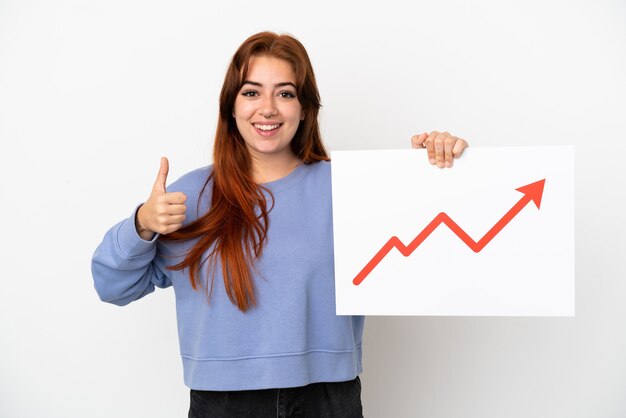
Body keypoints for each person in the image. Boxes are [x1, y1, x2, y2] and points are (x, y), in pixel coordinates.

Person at [91, 31, 468, 418]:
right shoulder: (189, 196)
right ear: (230, 107)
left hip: (327, 397)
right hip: (223, 402)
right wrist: (141, 224)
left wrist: (437, 168)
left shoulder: (349, 187)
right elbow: (113, 287)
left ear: (305, 108)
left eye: (285, 93)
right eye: (251, 93)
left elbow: (435, 241)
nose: (267, 108)